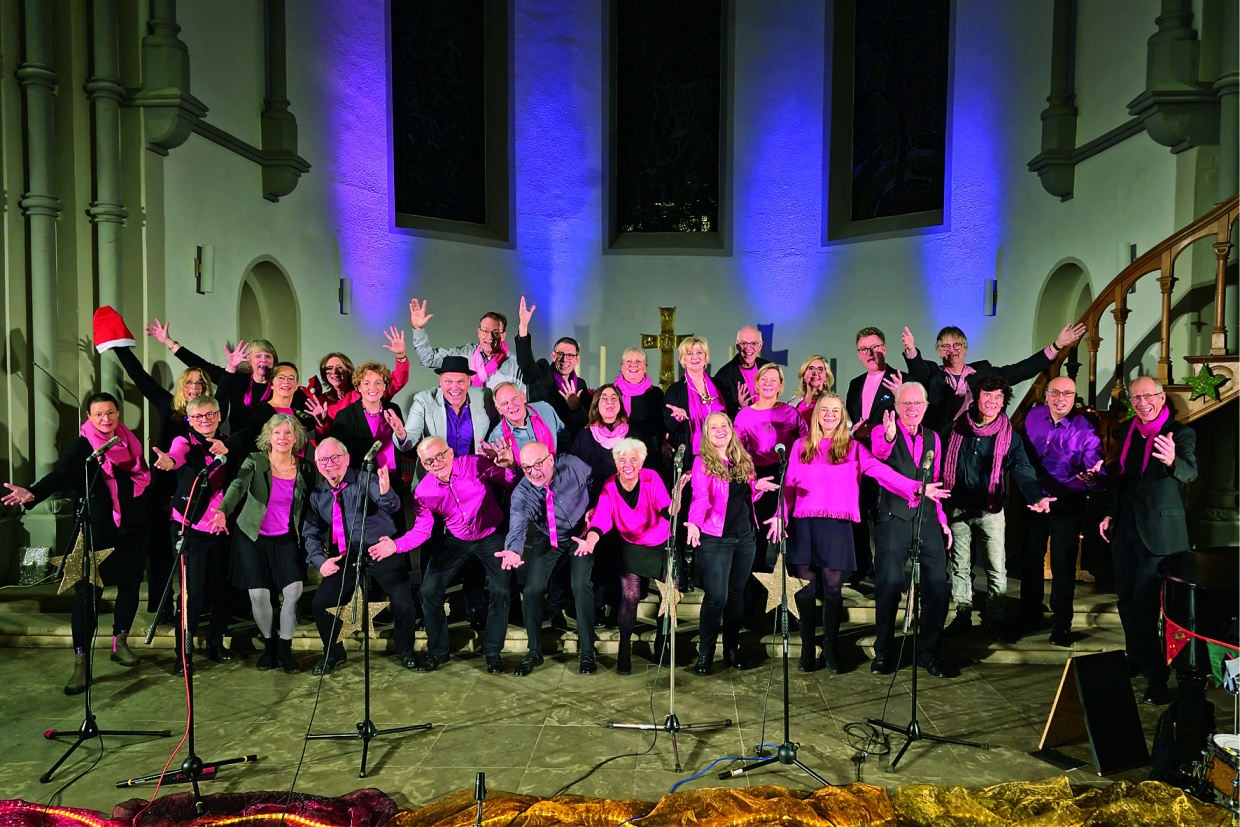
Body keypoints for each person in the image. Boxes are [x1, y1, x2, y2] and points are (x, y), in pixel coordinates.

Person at [777, 394, 939, 674]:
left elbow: (881, 471)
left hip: (837, 526)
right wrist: (780, 515)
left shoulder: (852, 447)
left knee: (832, 591)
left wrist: (917, 486)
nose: (829, 415)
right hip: (804, 523)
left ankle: (829, 649)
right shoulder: (800, 447)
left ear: (842, 416)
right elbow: (789, 485)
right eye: (824, 410)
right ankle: (806, 647)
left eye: (835, 410)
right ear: (816, 415)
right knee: (805, 590)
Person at [3, 393, 150, 694]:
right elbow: (60, 475)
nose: (106, 419)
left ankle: (119, 642)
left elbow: (142, 477)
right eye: (99, 414)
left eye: (110, 413)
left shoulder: (129, 443)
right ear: (89, 416)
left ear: (118, 414)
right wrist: (32, 493)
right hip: (95, 532)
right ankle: (81, 663)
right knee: (87, 598)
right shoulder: (83, 447)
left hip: (131, 529)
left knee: (130, 586)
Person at [370, 437, 516, 674]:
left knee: (500, 589)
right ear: (424, 465)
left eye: (440, 455)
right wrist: (395, 546)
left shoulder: (474, 464)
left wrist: (510, 466)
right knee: (428, 591)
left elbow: (510, 481)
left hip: (491, 534)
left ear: (450, 453)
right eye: (429, 460)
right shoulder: (423, 491)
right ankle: (438, 651)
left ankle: (492, 651)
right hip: (457, 538)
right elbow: (422, 531)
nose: (436, 462)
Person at [1100, 376, 1196, 706]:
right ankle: (1135, 658)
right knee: (1126, 601)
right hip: (1125, 530)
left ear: (1161, 396)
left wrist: (1171, 461)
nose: (1142, 403)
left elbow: (1190, 471)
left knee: (1145, 607)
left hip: (1159, 536)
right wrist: (1110, 513)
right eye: (1136, 398)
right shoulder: (1128, 430)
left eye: (1148, 396)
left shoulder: (1180, 433)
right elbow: (1122, 479)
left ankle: (1156, 676)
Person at [940, 375, 1054, 641]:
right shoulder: (955, 429)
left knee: (996, 567)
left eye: (998, 397)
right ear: (977, 397)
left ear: (1004, 402)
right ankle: (963, 615)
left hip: (991, 511)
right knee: (960, 566)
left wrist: (1036, 496)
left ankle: (995, 618)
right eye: (987, 395)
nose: (992, 401)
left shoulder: (1010, 437)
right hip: (957, 509)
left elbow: (1023, 470)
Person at [209, 413, 315, 674]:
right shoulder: (255, 461)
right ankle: (269, 646)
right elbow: (237, 486)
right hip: (252, 537)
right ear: (269, 436)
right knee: (258, 595)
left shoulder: (305, 468)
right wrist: (223, 511)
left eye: (288, 433)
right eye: (277, 432)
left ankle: (285, 648)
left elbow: (310, 506)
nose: (282, 437)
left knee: (294, 591)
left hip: (285, 537)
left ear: (296, 438)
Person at [303, 438, 419, 674]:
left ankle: (405, 649)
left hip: (380, 548)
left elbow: (390, 504)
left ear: (346, 459)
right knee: (321, 603)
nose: (330, 463)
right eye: (323, 460)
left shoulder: (366, 478)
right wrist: (319, 561)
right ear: (317, 464)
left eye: (335, 457)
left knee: (402, 601)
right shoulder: (318, 494)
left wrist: (387, 493)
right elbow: (311, 532)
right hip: (345, 554)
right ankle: (333, 653)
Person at [869, 383, 954, 677]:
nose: (912, 409)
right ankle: (884, 651)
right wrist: (890, 436)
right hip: (894, 519)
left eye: (917, 403)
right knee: (889, 586)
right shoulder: (883, 431)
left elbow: (937, 481)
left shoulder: (932, 437)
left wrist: (942, 521)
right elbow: (880, 451)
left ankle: (928, 651)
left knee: (936, 588)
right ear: (896, 405)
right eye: (905, 404)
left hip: (928, 519)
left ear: (926, 406)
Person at [685, 413, 779, 675]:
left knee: (736, 595)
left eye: (723, 425)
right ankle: (705, 654)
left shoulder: (743, 459)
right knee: (716, 597)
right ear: (706, 433)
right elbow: (700, 497)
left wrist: (756, 486)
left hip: (745, 536)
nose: (719, 430)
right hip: (716, 537)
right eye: (713, 427)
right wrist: (693, 522)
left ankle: (731, 650)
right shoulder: (702, 462)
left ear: (731, 429)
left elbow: (744, 495)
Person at [573, 438, 676, 674]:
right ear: (616, 463)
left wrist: (675, 510)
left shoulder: (651, 478)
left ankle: (663, 641)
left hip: (661, 542)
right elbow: (601, 519)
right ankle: (624, 648)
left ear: (641, 462)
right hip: (631, 544)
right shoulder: (609, 486)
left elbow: (665, 507)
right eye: (622, 460)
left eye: (633, 459)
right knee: (630, 595)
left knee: (669, 595)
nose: (627, 464)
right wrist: (590, 539)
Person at [496, 442, 597, 676]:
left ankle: (588, 651)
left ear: (550, 460)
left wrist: (594, 508)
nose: (534, 472)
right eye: (527, 467)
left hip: (581, 534)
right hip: (547, 537)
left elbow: (594, 481)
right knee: (531, 589)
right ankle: (534, 650)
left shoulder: (572, 465)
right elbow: (518, 525)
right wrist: (513, 550)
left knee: (581, 585)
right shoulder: (523, 493)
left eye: (538, 464)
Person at [151, 396, 236, 673]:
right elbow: (176, 456)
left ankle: (215, 643)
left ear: (219, 415)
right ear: (189, 419)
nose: (204, 420)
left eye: (210, 414)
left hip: (220, 528)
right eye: (198, 417)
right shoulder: (184, 441)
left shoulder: (227, 442)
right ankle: (184, 655)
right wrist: (169, 461)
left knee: (221, 590)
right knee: (191, 594)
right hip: (190, 529)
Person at [1019, 376, 1105, 645]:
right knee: (1030, 559)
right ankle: (1030, 614)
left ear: (1074, 397)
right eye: (1055, 392)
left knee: (1063, 564)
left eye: (1067, 393)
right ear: (1046, 395)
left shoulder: (1085, 428)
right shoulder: (1033, 417)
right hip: (1034, 498)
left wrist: (1094, 478)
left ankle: (1061, 624)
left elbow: (1097, 468)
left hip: (1067, 501)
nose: (1060, 398)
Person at [900, 322, 1087, 436]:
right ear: (939, 351)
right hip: (938, 442)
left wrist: (1057, 345)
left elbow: (1019, 371)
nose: (952, 350)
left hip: (973, 441)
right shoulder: (932, 372)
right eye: (946, 346)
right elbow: (919, 370)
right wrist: (911, 350)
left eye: (957, 345)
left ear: (965, 348)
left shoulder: (983, 371)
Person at [734, 364, 807, 629]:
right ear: (756, 383)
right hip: (757, 483)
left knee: (791, 545)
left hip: (788, 480)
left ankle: (793, 614)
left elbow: (805, 448)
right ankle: (754, 615)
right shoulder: (743, 416)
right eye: (763, 378)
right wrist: (754, 483)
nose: (767, 383)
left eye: (773, 379)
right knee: (756, 549)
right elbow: (737, 457)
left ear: (781, 385)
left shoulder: (791, 413)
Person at [147, 318, 290, 432]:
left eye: (268, 356)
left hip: (273, 449)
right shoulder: (237, 379)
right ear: (249, 362)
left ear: (274, 362)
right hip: (240, 450)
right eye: (258, 355)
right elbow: (202, 365)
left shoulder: (282, 386)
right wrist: (169, 342)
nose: (263, 360)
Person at [570, 384, 634, 627]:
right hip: (592, 508)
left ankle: (617, 606)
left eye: (614, 398)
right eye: (603, 398)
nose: (609, 402)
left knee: (620, 558)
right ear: (596, 405)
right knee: (598, 558)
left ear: (620, 404)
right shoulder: (585, 436)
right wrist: (587, 507)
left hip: (624, 506)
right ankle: (596, 607)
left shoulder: (631, 434)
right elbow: (575, 476)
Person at [845, 326, 904, 586]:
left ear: (885, 348)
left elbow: (913, 418)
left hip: (889, 461)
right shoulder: (855, 383)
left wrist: (901, 394)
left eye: (874, 347)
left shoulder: (900, 379)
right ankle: (862, 567)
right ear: (858, 354)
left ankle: (885, 571)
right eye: (863, 349)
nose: (869, 353)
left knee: (885, 519)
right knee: (857, 514)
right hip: (859, 460)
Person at [408, 299, 525, 393]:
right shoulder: (464, 354)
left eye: (495, 333)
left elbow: (521, 403)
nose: (490, 337)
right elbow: (428, 359)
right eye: (485, 331)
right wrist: (419, 329)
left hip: (498, 421)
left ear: (503, 336)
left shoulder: (514, 366)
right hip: (465, 418)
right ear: (478, 332)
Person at [515, 297, 592, 440]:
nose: (564, 360)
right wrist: (523, 328)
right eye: (561, 354)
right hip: (541, 439)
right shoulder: (543, 370)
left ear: (577, 359)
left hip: (569, 442)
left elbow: (585, 423)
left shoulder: (580, 384)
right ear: (553, 355)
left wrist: (575, 408)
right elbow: (526, 366)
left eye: (570, 355)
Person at [404, 355, 496, 460]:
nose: (455, 387)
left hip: (474, 472)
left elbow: (499, 431)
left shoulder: (485, 396)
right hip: (436, 472)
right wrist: (402, 436)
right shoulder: (423, 400)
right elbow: (409, 440)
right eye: (448, 381)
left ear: (469, 380)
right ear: (440, 380)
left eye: (460, 381)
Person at [309, 327, 410, 422]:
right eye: (329, 368)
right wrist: (321, 424)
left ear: (348, 370)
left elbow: (397, 380)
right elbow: (323, 438)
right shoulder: (321, 401)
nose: (334, 372)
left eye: (339, 367)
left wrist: (401, 356)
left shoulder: (363, 391)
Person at [663, 337, 726, 458]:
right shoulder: (675, 390)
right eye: (689, 354)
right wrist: (678, 418)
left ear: (705, 358)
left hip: (721, 452)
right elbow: (669, 426)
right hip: (692, 455)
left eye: (699, 353)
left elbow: (728, 417)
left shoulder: (719, 385)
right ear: (683, 359)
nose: (695, 357)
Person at [613, 347, 667, 472]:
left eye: (638, 361)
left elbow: (661, 426)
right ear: (622, 366)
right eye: (629, 361)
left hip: (650, 455)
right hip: (619, 453)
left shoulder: (655, 393)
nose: (633, 365)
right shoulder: (612, 393)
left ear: (645, 367)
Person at [486, 382, 566, 457]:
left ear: (523, 397)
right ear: (499, 409)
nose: (511, 406)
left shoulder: (545, 409)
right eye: (505, 404)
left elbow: (564, 438)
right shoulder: (497, 438)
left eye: (514, 399)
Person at [712, 326, 771, 418]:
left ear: (760, 346)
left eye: (753, 343)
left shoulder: (768, 368)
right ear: (737, 345)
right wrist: (740, 407)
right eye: (744, 343)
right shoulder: (722, 377)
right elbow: (720, 415)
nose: (748, 348)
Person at [790, 355, 834, 425]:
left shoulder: (832, 402)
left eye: (820, 369)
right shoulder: (793, 402)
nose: (815, 373)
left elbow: (846, 428)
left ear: (826, 376)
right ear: (804, 374)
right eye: (811, 368)